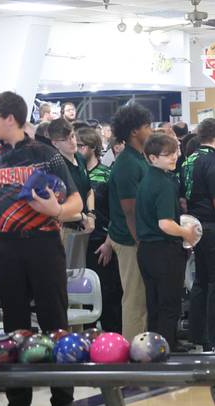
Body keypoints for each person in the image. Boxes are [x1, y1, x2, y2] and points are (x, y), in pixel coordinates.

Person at [0, 91, 86, 406]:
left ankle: (64, 401)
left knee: (55, 321)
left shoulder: (46, 155)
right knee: (16, 327)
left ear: (9, 118)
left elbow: (77, 202)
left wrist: (57, 209)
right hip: (4, 247)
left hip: (44, 244)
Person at [135, 133, 195, 351]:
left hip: (147, 251)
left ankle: (154, 347)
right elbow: (165, 224)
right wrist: (186, 233)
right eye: (167, 154)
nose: (174, 158)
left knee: (155, 304)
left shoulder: (148, 180)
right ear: (152, 158)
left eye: (175, 152)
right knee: (169, 304)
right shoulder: (163, 183)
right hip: (164, 250)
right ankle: (165, 347)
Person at [185, 118, 215, 350]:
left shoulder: (189, 159)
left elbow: (183, 199)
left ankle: (198, 335)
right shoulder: (213, 161)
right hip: (214, 228)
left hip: (194, 226)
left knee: (201, 283)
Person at [107, 104, 153, 340]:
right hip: (130, 239)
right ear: (134, 131)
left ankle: (142, 345)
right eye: (147, 126)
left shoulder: (139, 158)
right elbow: (129, 210)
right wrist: (140, 241)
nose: (151, 130)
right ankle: (132, 352)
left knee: (142, 298)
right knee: (135, 299)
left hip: (137, 236)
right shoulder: (127, 163)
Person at [76, 126, 123, 333]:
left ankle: (116, 343)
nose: (76, 150)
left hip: (102, 243)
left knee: (109, 297)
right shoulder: (75, 175)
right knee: (82, 299)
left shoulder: (107, 175)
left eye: (81, 145)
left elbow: (117, 213)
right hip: (79, 244)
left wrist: (109, 243)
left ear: (93, 147)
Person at [47, 119, 95, 237]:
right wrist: (82, 217)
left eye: (72, 136)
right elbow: (55, 210)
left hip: (84, 225)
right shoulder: (55, 167)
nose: (72, 142)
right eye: (65, 139)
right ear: (55, 143)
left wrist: (91, 214)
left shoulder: (80, 158)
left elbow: (89, 190)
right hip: (64, 228)